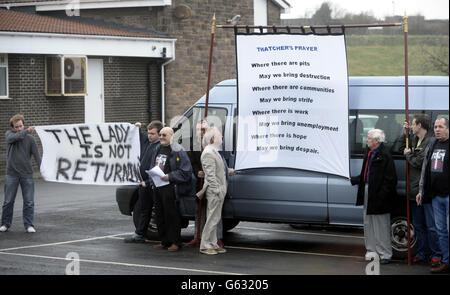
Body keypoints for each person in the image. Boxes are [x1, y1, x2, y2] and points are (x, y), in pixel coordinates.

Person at [398, 114, 441, 266]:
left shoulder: (430, 141)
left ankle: (436, 254)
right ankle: (423, 253)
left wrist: (408, 154)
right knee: (419, 226)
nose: (411, 126)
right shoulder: (415, 139)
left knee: (431, 226)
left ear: (420, 125)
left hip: (424, 191)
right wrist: (406, 134)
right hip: (413, 190)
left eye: (413, 124)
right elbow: (399, 147)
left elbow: (418, 162)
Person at [351, 129, 397, 264]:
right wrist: (354, 180)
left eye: (369, 138)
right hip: (368, 190)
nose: (366, 140)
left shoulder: (385, 155)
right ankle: (371, 251)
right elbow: (366, 174)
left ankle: (385, 254)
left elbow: (390, 180)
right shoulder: (369, 152)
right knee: (368, 222)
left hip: (379, 196)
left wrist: (381, 196)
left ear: (377, 141)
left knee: (381, 225)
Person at [151, 127, 192, 251]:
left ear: (171, 136)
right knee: (160, 215)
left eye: (165, 135)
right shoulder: (157, 148)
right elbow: (153, 165)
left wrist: (170, 176)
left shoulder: (178, 150)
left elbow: (186, 172)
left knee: (171, 216)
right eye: (161, 135)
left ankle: (175, 242)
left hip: (171, 188)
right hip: (158, 187)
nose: (162, 137)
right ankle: (164, 241)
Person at [417, 117, 449, 274]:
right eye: (435, 126)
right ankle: (446, 261)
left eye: (441, 126)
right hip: (436, 196)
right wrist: (421, 190)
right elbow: (425, 168)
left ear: (448, 128)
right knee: (441, 230)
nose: (437, 129)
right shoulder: (432, 144)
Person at [185, 120, 224, 248]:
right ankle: (197, 236)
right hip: (200, 184)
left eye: (203, 129)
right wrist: (197, 172)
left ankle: (217, 238)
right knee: (199, 211)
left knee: (214, 212)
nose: (201, 132)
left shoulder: (213, 144)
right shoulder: (192, 145)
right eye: (198, 129)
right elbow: (190, 163)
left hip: (213, 183)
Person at [197, 127, 235, 255]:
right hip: (215, 191)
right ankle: (205, 245)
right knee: (212, 218)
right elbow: (210, 175)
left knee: (215, 218)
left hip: (218, 190)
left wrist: (230, 171)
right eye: (219, 136)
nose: (222, 138)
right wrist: (217, 190)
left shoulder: (214, 152)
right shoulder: (209, 153)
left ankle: (212, 243)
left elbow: (220, 169)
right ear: (213, 139)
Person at [1, 114, 41, 233]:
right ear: (12, 127)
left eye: (21, 126)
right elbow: (15, 137)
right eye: (17, 127)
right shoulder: (9, 135)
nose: (19, 128)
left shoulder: (30, 139)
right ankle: (5, 224)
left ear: (24, 124)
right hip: (11, 174)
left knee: (29, 202)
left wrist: (42, 169)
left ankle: (29, 225)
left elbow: (37, 156)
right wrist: (27, 131)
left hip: (27, 174)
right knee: (8, 201)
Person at [124, 120, 163, 243]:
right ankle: (139, 234)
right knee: (144, 209)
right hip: (143, 183)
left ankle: (164, 237)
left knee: (159, 210)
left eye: (152, 133)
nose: (149, 135)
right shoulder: (148, 142)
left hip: (152, 184)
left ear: (159, 134)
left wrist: (149, 182)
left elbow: (159, 168)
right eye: (148, 133)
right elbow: (138, 137)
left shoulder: (160, 147)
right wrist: (137, 128)